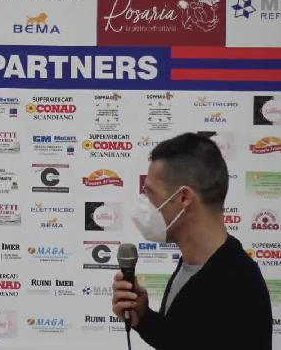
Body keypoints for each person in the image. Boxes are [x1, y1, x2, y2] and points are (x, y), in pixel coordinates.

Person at [112, 132, 272, 350]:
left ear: (184, 198)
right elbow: (183, 338)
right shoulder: (194, 265)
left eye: (150, 193)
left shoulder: (237, 286)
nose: (144, 204)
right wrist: (144, 318)